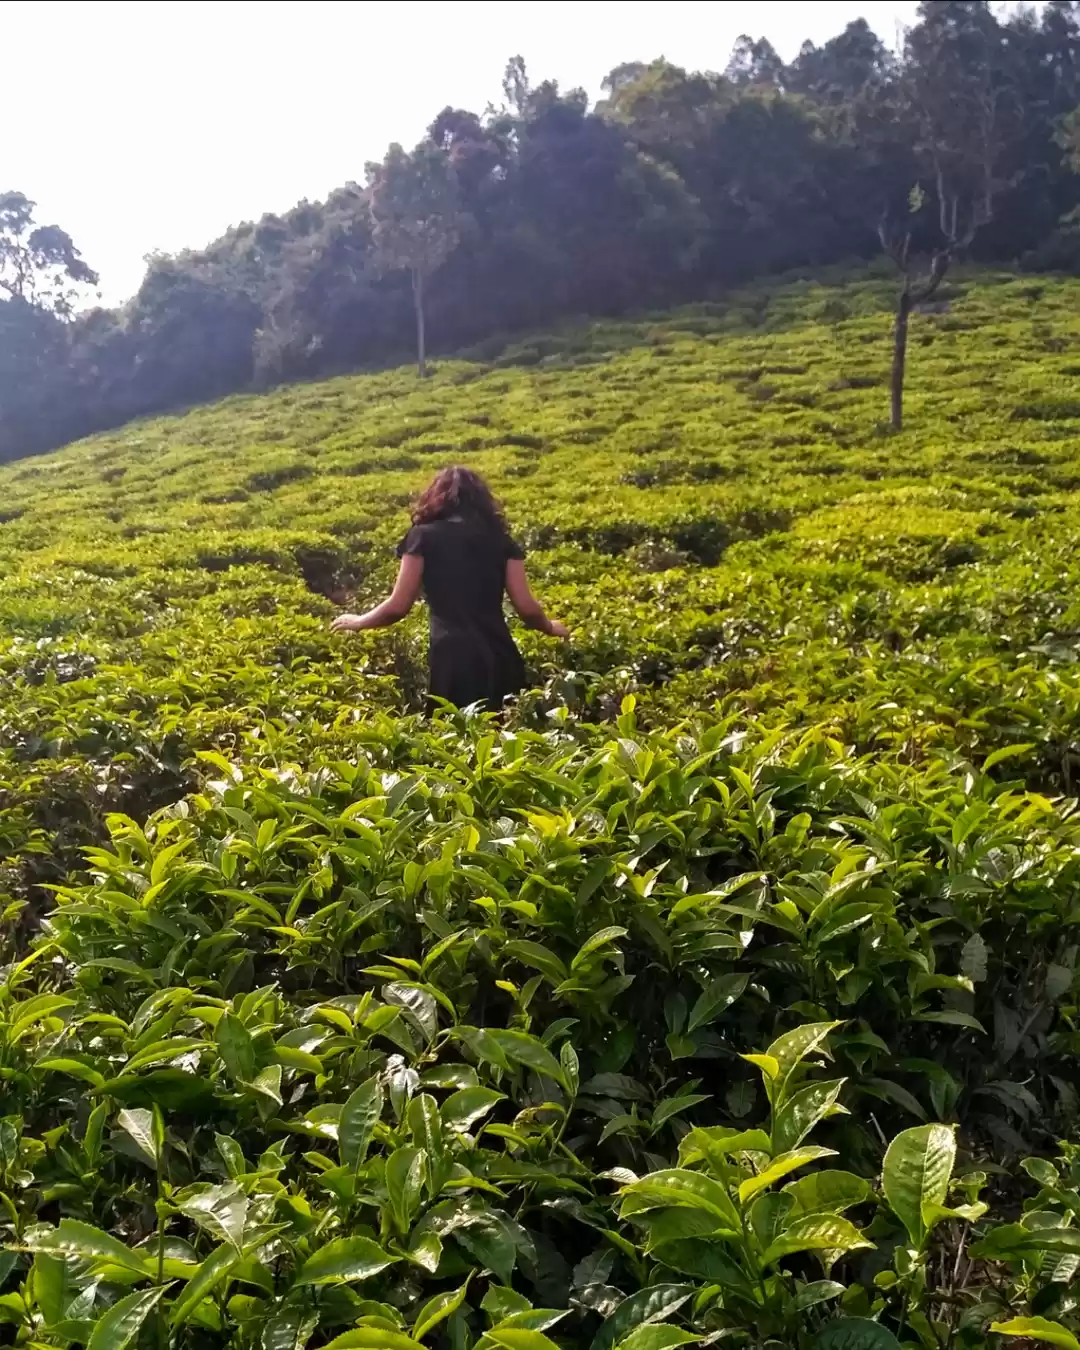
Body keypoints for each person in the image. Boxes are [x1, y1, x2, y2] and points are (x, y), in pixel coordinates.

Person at [331, 466, 568, 711]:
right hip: (500, 653)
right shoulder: (501, 541)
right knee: (508, 736)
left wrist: (359, 622)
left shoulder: (422, 537)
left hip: (452, 658)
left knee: (456, 738)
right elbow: (527, 608)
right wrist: (550, 627)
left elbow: (398, 606)